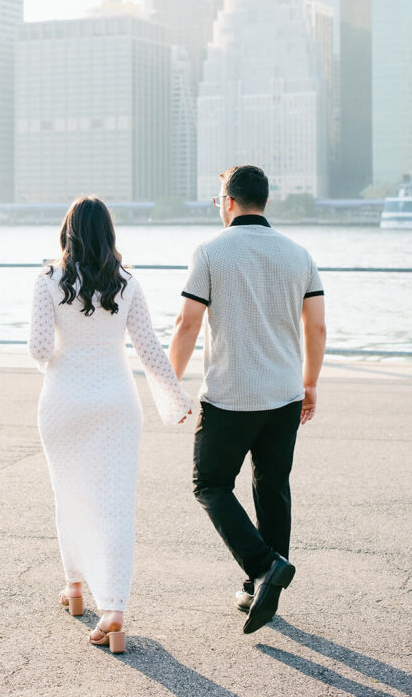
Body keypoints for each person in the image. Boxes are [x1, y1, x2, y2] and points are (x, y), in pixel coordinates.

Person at [28, 195, 192, 653]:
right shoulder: (128, 283)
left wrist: (65, 360)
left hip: (63, 402)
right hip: (117, 405)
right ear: (109, 234)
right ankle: (114, 610)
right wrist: (176, 399)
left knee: (71, 494)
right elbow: (150, 349)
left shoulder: (48, 280)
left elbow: (40, 349)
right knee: (115, 506)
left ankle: (74, 588)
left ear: (68, 231)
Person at [168, 165, 327, 634]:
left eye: (219, 198)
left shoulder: (210, 252)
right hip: (283, 395)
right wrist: (311, 382)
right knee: (272, 485)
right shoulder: (299, 255)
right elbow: (316, 327)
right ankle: (264, 581)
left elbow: (187, 325)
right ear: (266, 201)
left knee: (210, 485)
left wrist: (171, 385)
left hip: (230, 396)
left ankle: (263, 566)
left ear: (229, 201)